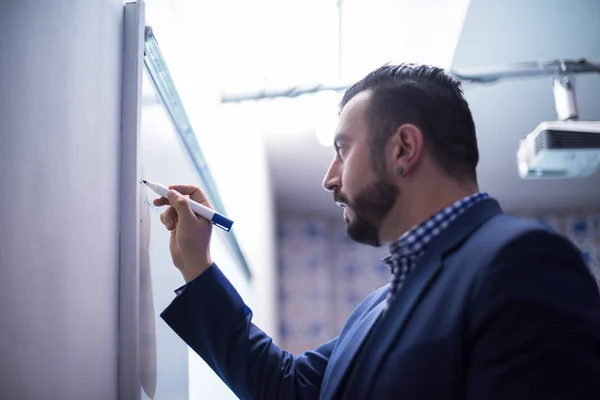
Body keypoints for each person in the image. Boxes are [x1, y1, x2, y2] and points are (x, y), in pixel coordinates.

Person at [154, 64, 600, 399]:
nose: (330, 179)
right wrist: (199, 266)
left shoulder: (520, 262)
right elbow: (286, 390)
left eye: (343, 150)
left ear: (403, 148)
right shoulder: (375, 308)